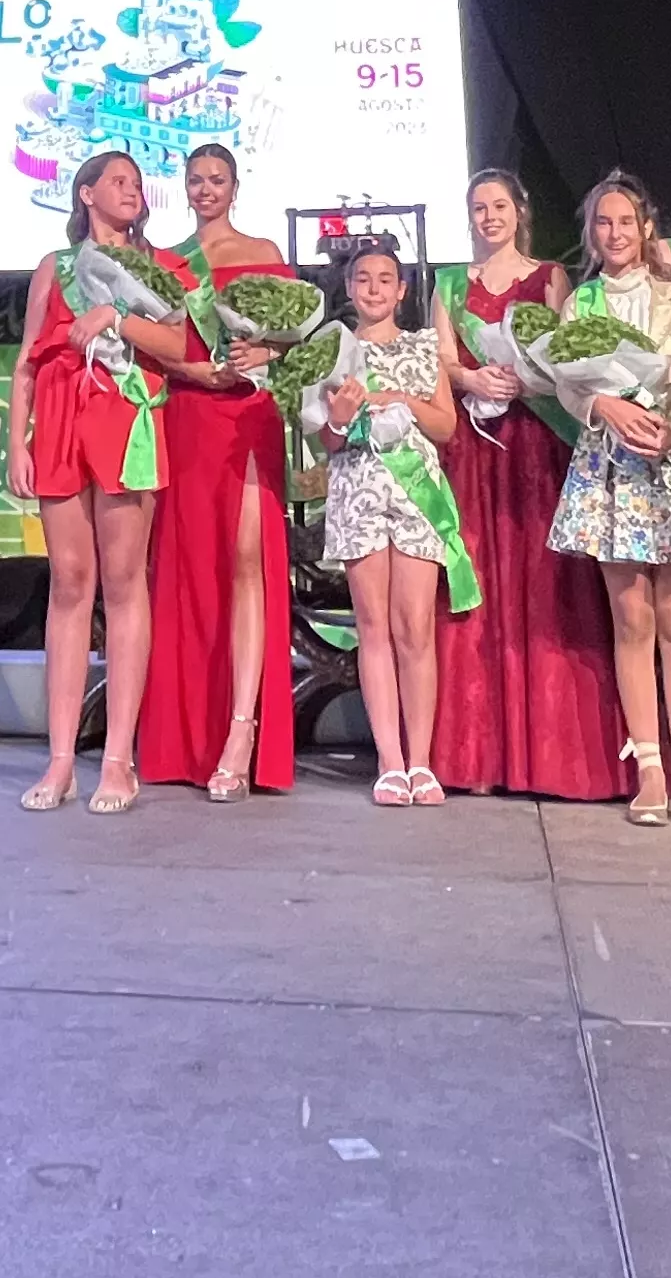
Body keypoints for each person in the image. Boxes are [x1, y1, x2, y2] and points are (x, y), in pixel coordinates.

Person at [435, 170, 626, 801]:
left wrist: (527, 381)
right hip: (475, 449)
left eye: (498, 206)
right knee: (479, 586)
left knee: (548, 588)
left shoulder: (550, 278)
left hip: (539, 444)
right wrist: (473, 381)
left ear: (519, 212)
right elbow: (441, 362)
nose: (488, 217)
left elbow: (571, 360)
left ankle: (555, 759)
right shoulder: (449, 284)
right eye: (477, 208)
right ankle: (477, 756)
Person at [548, 171, 671, 825]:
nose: (615, 234)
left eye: (626, 222)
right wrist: (602, 405)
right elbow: (567, 382)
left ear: (646, 226)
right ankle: (648, 767)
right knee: (632, 619)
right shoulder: (583, 301)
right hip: (608, 467)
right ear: (591, 233)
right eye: (602, 223)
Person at [17, 147, 180, 814]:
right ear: (85, 194)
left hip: (125, 415)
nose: (131, 191)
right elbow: (28, 360)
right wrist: (16, 441)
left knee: (123, 581)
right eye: (118, 181)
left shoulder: (158, 267)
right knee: (70, 581)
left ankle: (118, 760)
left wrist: (117, 318)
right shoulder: (54, 269)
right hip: (59, 418)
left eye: (137, 184)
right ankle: (60, 760)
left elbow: (180, 347)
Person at [138, 142, 296, 802]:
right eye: (196, 180)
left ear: (235, 186)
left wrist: (268, 347)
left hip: (248, 418)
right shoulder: (168, 262)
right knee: (187, 573)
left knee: (245, 564)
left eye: (217, 180)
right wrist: (189, 370)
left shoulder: (263, 251)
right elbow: (153, 340)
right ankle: (183, 736)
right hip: (189, 417)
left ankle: (241, 730)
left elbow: (296, 336)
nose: (206, 190)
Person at [310, 239, 465, 805]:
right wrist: (341, 417)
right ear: (349, 289)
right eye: (363, 280)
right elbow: (325, 441)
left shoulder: (424, 348)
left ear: (402, 290)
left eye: (385, 280)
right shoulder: (331, 352)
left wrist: (400, 396)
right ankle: (390, 762)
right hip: (358, 491)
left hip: (416, 494)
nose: (374, 289)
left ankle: (422, 761)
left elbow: (446, 426)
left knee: (414, 628)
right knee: (372, 626)